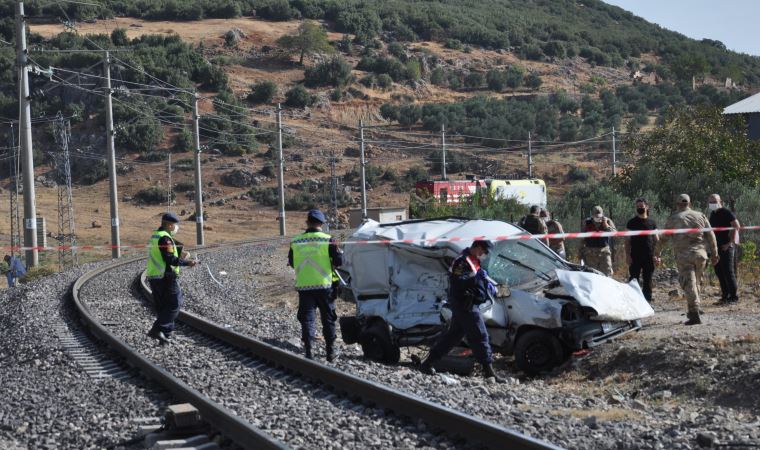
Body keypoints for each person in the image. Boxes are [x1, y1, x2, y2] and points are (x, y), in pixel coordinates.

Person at [420, 240, 505, 383]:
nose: (484, 255)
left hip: (468, 305)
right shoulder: (462, 261)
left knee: (452, 337)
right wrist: (476, 279)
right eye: (483, 251)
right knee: (480, 335)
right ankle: (489, 373)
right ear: (477, 247)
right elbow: (458, 282)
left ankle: (427, 363)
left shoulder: (473, 260)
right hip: (465, 305)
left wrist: (485, 282)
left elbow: (475, 278)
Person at [288, 209, 343, 361]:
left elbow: (292, 263)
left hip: (304, 287)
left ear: (307, 222)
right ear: (322, 223)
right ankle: (330, 351)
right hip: (325, 286)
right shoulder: (328, 239)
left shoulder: (296, 241)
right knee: (328, 318)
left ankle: (308, 351)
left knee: (307, 318)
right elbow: (339, 262)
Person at [656, 194, 718, 325]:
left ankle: (694, 313)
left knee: (689, 284)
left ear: (677, 204)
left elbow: (663, 239)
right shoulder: (700, 215)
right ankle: (697, 306)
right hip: (701, 254)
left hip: (684, 255)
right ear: (690, 203)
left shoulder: (673, 219)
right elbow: (711, 234)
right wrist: (714, 253)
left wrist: (657, 253)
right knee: (697, 282)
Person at [146, 212, 198, 345]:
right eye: (174, 225)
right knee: (175, 304)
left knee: (163, 307)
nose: (176, 228)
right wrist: (188, 263)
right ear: (169, 225)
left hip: (154, 276)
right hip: (165, 277)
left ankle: (164, 336)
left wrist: (181, 253)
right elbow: (170, 259)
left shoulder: (156, 235)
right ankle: (158, 329)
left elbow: (165, 252)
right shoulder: (165, 238)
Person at [625, 198, 659, 302]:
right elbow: (627, 241)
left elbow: (657, 240)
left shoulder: (652, 223)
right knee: (633, 279)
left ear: (647, 207)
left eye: (642, 206)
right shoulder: (631, 222)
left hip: (649, 256)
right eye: (638, 206)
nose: (640, 208)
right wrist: (627, 255)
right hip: (635, 256)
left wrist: (657, 255)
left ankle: (647, 302)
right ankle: (633, 301)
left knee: (648, 280)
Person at [707, 194, 740, 304]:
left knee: (728, 272)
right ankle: (725, 296)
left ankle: (734, 297)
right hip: (716, 248)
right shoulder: (713, 214)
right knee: (719, 272)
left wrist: (730, 243)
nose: (712, 204)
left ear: (720, 201)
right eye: (710, 202)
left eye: (714, 201)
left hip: (726, 247)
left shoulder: (726, 212)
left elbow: (737, 226)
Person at [581, 206, 617, 276]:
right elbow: (582, 238)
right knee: (591, 275)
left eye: (599, 216)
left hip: (604, 252)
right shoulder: (587, 222)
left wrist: (606, 225)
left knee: (607, 273)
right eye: (596, 217)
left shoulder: (607, 221)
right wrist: (580, 253)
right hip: (590, 253)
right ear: (592, 215)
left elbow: (615, 234)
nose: (598, 218)